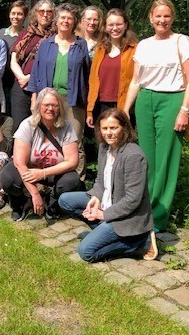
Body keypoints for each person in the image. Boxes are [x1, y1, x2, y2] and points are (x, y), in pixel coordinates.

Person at [123, 0, 189, 232]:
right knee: (146, 158)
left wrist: (184, 111)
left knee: (166, 158)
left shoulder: (181, 41)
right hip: (146, 100)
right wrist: (126, 109)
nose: (162, 20)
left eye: (166, 16)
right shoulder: (144, 44)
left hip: (172, 100)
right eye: (158, 16)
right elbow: (136, 80)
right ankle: (143, 208)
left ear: (172, 18)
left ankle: (159, 215)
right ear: (150, 18)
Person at [58, 109, 156, 262]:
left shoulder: (133, 156)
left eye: (113, 128)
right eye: (104, 128)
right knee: (65, 200)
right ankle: (107, 233)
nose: (108, 133)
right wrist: (96, 197)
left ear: (124, 127)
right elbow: (100, 180)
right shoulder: (104, 148)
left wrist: (103, 215)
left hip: (127, 216)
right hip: (107, 202)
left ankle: (141, 242)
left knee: (86, 252)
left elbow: (132, 200)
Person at [0, 88, 80, 221]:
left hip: (53, 172)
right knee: (7, 177)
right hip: (29, 170)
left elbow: (72, 161)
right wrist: (35, 193)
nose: (50, 108)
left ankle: (52, 204)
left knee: (72, 180)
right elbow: (20, 162)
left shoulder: (66, 126)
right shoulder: (27, 125)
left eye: (54, 105)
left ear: (60, 107)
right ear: (39, 106)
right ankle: (19, 204)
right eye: (46, 105)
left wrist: (43, 173)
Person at [28, 2, 89, 174]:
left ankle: (77, 181)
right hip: (48, 100)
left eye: (70, 18)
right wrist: (34, 99)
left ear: (74, 22)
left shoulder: (80, 44)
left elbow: (87, 74)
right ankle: (44, 179)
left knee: (75, 140)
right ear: (56, 20)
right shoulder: (46, 44)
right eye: (63, 17)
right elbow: (35, 72)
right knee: (44, 138)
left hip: (73, 99)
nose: (66, 21)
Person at [86, 8, 138, 128]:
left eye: (119, 24)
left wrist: (127, 108)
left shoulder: (134, 49)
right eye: (111, 25)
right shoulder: (100, 49)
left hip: (124, 105)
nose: (115, 28)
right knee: (103, 143)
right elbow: (93, 80)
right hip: (101, 105)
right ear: (105, 27)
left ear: (126, 25)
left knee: (124, 142)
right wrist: (90, 111)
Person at [9, 0, 55, 131]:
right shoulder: (25, 34)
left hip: (42, 88)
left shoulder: (55, 38)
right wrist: (21, 78)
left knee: (41, 128)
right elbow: (13, 60)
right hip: (20, 88)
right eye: (42, 11)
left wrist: (29, 77)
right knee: (20, 127)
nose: (45, 14)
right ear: (36, 14)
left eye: (49, 11)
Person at [0, 0, 29, 113]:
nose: (15, 17)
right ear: (9, 14)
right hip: (2, 82)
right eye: (13, 13)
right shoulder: (1, 33)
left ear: (25, 16)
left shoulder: (27, 36)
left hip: (17, 82)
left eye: (19, 14)